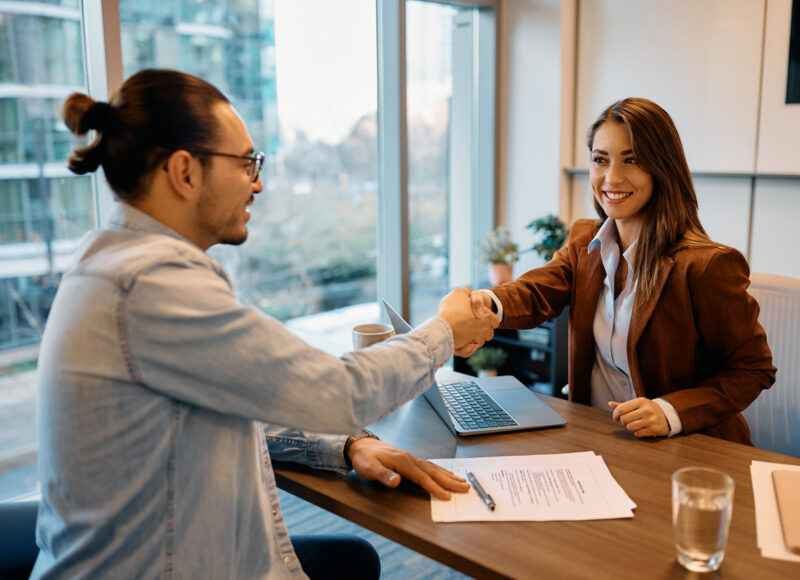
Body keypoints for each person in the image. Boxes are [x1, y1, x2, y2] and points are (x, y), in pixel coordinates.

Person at [31, 69, 499, 579]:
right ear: (184, 172)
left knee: (353, 560)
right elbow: (340, 392)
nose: (258, 182)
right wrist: (444, 331)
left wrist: (349, 444)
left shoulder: (112, 262)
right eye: (246, 162)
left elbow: (244, 395)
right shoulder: (152, 284)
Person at [473, 97, 775, 444]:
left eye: (632, 160)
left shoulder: (707, 266)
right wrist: (481, 304)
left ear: (662, 167)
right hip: (603, 440)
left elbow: (753, 369)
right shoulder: (585, 242)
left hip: (690, 449)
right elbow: (535, 292)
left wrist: (669, 411)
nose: (611, 178)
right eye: (600, 160)